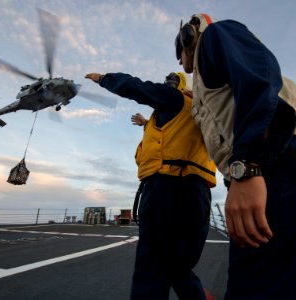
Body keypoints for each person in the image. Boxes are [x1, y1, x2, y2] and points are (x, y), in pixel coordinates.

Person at [174, 13, 296, 299]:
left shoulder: (214, 37)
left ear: (189, 37)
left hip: (283, 161)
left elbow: (261, 76)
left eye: (179, 47)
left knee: (254, 286)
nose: (178, 61)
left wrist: (246, 166)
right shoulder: (203, 81)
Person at [85, 71, 217, 300]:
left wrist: (104, 79)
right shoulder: (195, 110)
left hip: (166, 187)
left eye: (172, 82)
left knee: (151, 266)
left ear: (180, 86)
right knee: (178, 266)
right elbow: (177, 138)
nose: (167, 84)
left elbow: (138, 87)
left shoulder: (174, 98)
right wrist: (147, 124)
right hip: (197, 193)